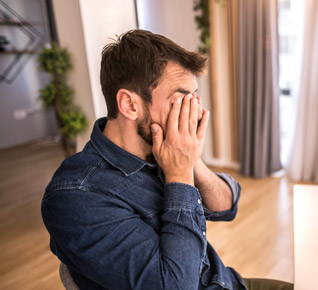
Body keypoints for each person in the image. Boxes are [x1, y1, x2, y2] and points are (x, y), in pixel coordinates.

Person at [41, 29, 293, 290]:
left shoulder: (162, 149)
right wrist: (179, 175)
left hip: (225, 281)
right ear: (129, 105)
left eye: (194, 98)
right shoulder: (76, 196)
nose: (194, 111)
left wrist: (190, 158)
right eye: (181, 100)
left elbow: (227, 206)